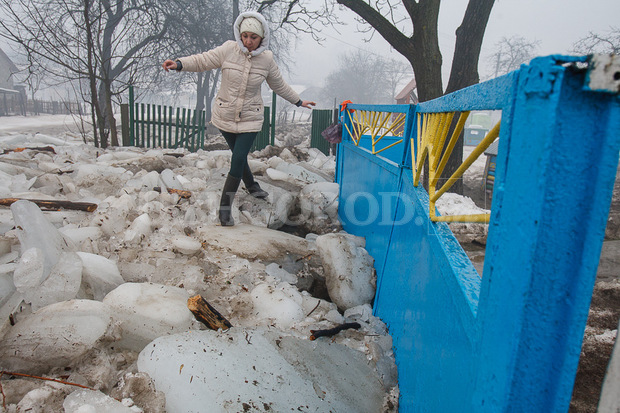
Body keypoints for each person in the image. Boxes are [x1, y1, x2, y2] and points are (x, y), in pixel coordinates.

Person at [163, 11, 315, 226]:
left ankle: (224, 208)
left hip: (250, 118)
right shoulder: (228, 50)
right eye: (245, 36)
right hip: (225, 114)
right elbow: (203, 60)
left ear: (262, 38)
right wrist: (179, 64)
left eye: (253, 37)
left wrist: (299, 102)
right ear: (239, 35)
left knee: (238, 156)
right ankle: (252, 185)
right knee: (238, 156)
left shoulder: (267, 60)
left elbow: (279, 85)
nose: (248, 41)